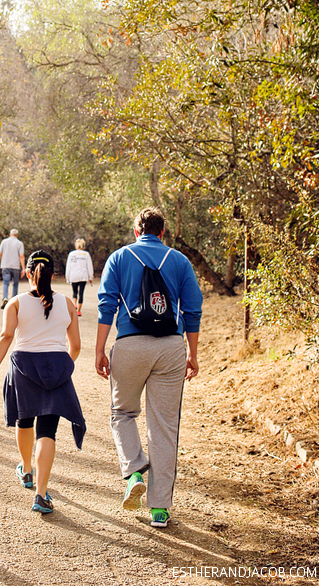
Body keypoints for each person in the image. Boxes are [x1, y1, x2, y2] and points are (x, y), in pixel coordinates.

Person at [95, 207, 202, 528]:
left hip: (129, 346)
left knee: (122, 413)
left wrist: (100, 349)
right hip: (170, 347)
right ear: (163, 232)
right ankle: (160, 510)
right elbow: (193, 310)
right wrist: (192, 354)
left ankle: (134, 472)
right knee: (164, 428)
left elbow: (106, 305)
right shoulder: (180, 261)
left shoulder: (118, 258)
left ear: (136, 231)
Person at [0, 250, 85, 515]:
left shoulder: (16, 303)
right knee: (47, 431)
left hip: (23, 366)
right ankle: (41, 495)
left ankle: (26, 470)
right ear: (53, 275)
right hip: (56, 366)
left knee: (24, 420)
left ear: (28, 273)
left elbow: (6, 336)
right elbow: (75, 346)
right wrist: (63, 368)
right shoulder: (67, 303)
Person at [0, 228, 26, 309]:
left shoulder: (4, 242)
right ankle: (13, 300)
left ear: (10, 234)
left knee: (6, 283)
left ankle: (5, 298)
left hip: (5, 265)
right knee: (15, 284)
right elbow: (21, 256)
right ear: (17, 235)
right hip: (15, 266)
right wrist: (23, 268)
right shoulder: (19, 243)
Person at [65, 237, 94, 317]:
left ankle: (74, 304)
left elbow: (68, 267)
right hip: (83, 276)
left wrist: (67, 277)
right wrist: (91, 277)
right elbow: (89, 266)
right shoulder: (86, 254)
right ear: (83, 246)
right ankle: (79, 311)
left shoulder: (71, 254)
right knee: (81, 293)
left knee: (74, 292)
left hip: (73, 276)